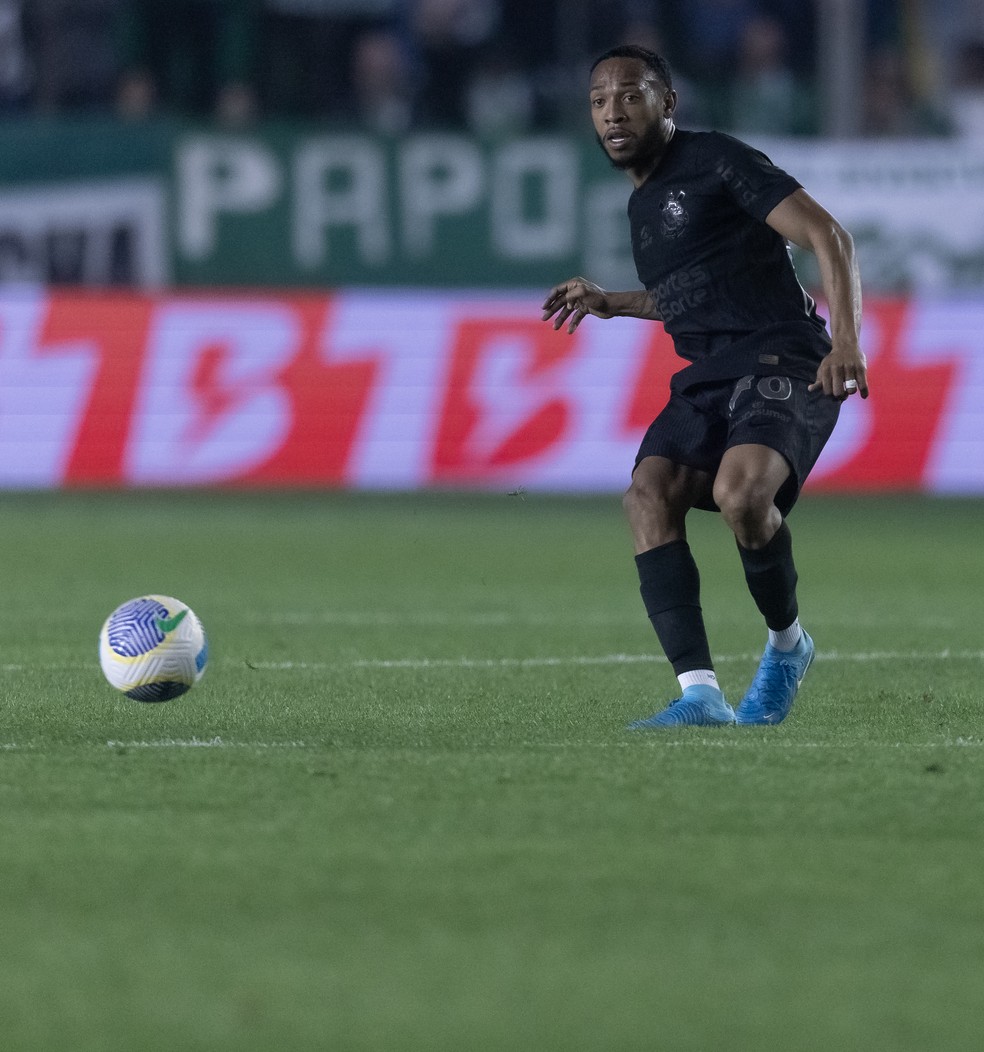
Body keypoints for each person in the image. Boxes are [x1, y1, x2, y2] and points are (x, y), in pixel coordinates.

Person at [541, 44, 868, 728]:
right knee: (647, 495)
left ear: (669, 102)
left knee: (741, 496)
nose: (613, 114)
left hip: (783, 355)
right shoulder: (641, 206)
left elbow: (827, 235)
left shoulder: (719, 160)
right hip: (708, 374)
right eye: (599, 102)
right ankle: (701, 695)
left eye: (630, 95)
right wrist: (614, 301)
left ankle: (788, 647)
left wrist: (845, 342)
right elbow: (692, 296)